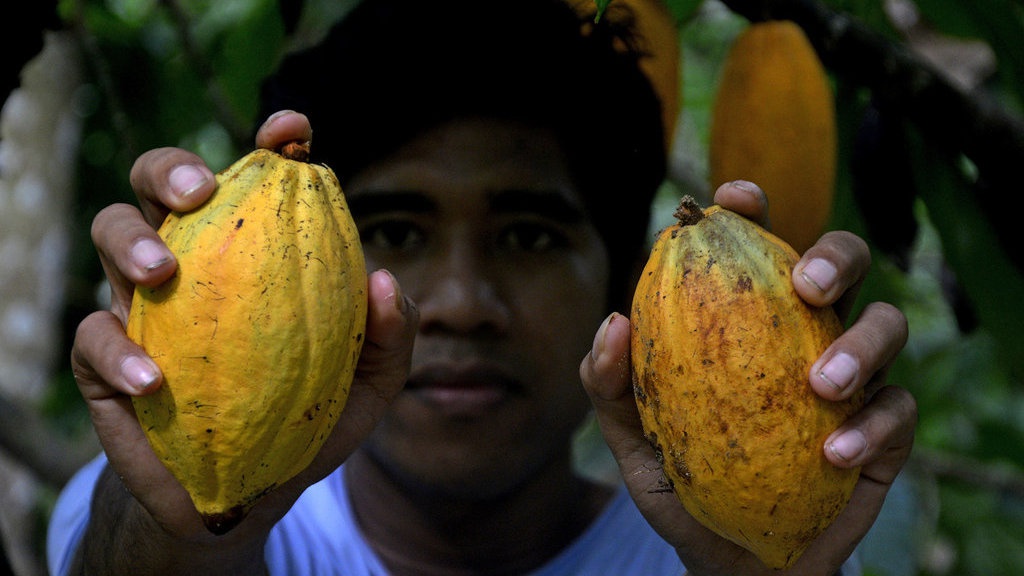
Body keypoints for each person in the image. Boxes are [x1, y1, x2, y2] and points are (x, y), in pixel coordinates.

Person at [47, 0, 917, 574]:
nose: (462, 302)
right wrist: (166, 536)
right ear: (290, 276)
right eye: (394, 232)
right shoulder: (153, 527)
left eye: (529, 235)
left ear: (627, 286)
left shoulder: (716, 553)